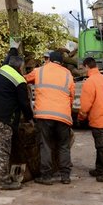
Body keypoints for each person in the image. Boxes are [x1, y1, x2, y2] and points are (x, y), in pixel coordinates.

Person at [24, 50, 75, 185]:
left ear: (49, 60)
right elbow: (71, 95)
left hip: (44, 115)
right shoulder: (67, 74)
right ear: (61, 62)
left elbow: (24, 80)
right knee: (64, 146)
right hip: (63, 115)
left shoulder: (39, 71)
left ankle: (46, 176)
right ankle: (65, 176)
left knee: (45, 145)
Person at [0, 53, 34, 190]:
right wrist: (31, 119)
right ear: (20, 66)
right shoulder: (20, 80)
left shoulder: (1, 70)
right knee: (4, 148)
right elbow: (24, 104)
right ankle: (4, 180)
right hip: (3, 116)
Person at [78, 57, 103, 182]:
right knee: (100, 144)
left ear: (86, 66)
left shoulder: (90, 82)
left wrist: (81, 116)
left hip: (97, 117)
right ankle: (100, 169)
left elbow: (85, 105)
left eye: (83, 68)